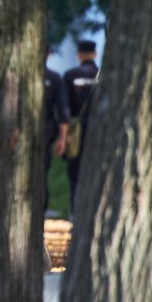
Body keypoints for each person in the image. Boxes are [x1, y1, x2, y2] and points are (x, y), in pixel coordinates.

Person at [61, 39, 100, 192]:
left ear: (79, 55)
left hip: (76, 130)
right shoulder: (103, 75)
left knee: (74, 172)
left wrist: (63, 135)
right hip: (99, 130)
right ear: (95, 54)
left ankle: (75, 209)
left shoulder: (70, 75)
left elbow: (64, 107)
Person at [43, 61, 71, 213]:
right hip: (46, 132)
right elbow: (63, 112)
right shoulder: (54, 78)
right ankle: (43, 208)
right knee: (43, 172)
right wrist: (62, 137)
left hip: (18, 134)